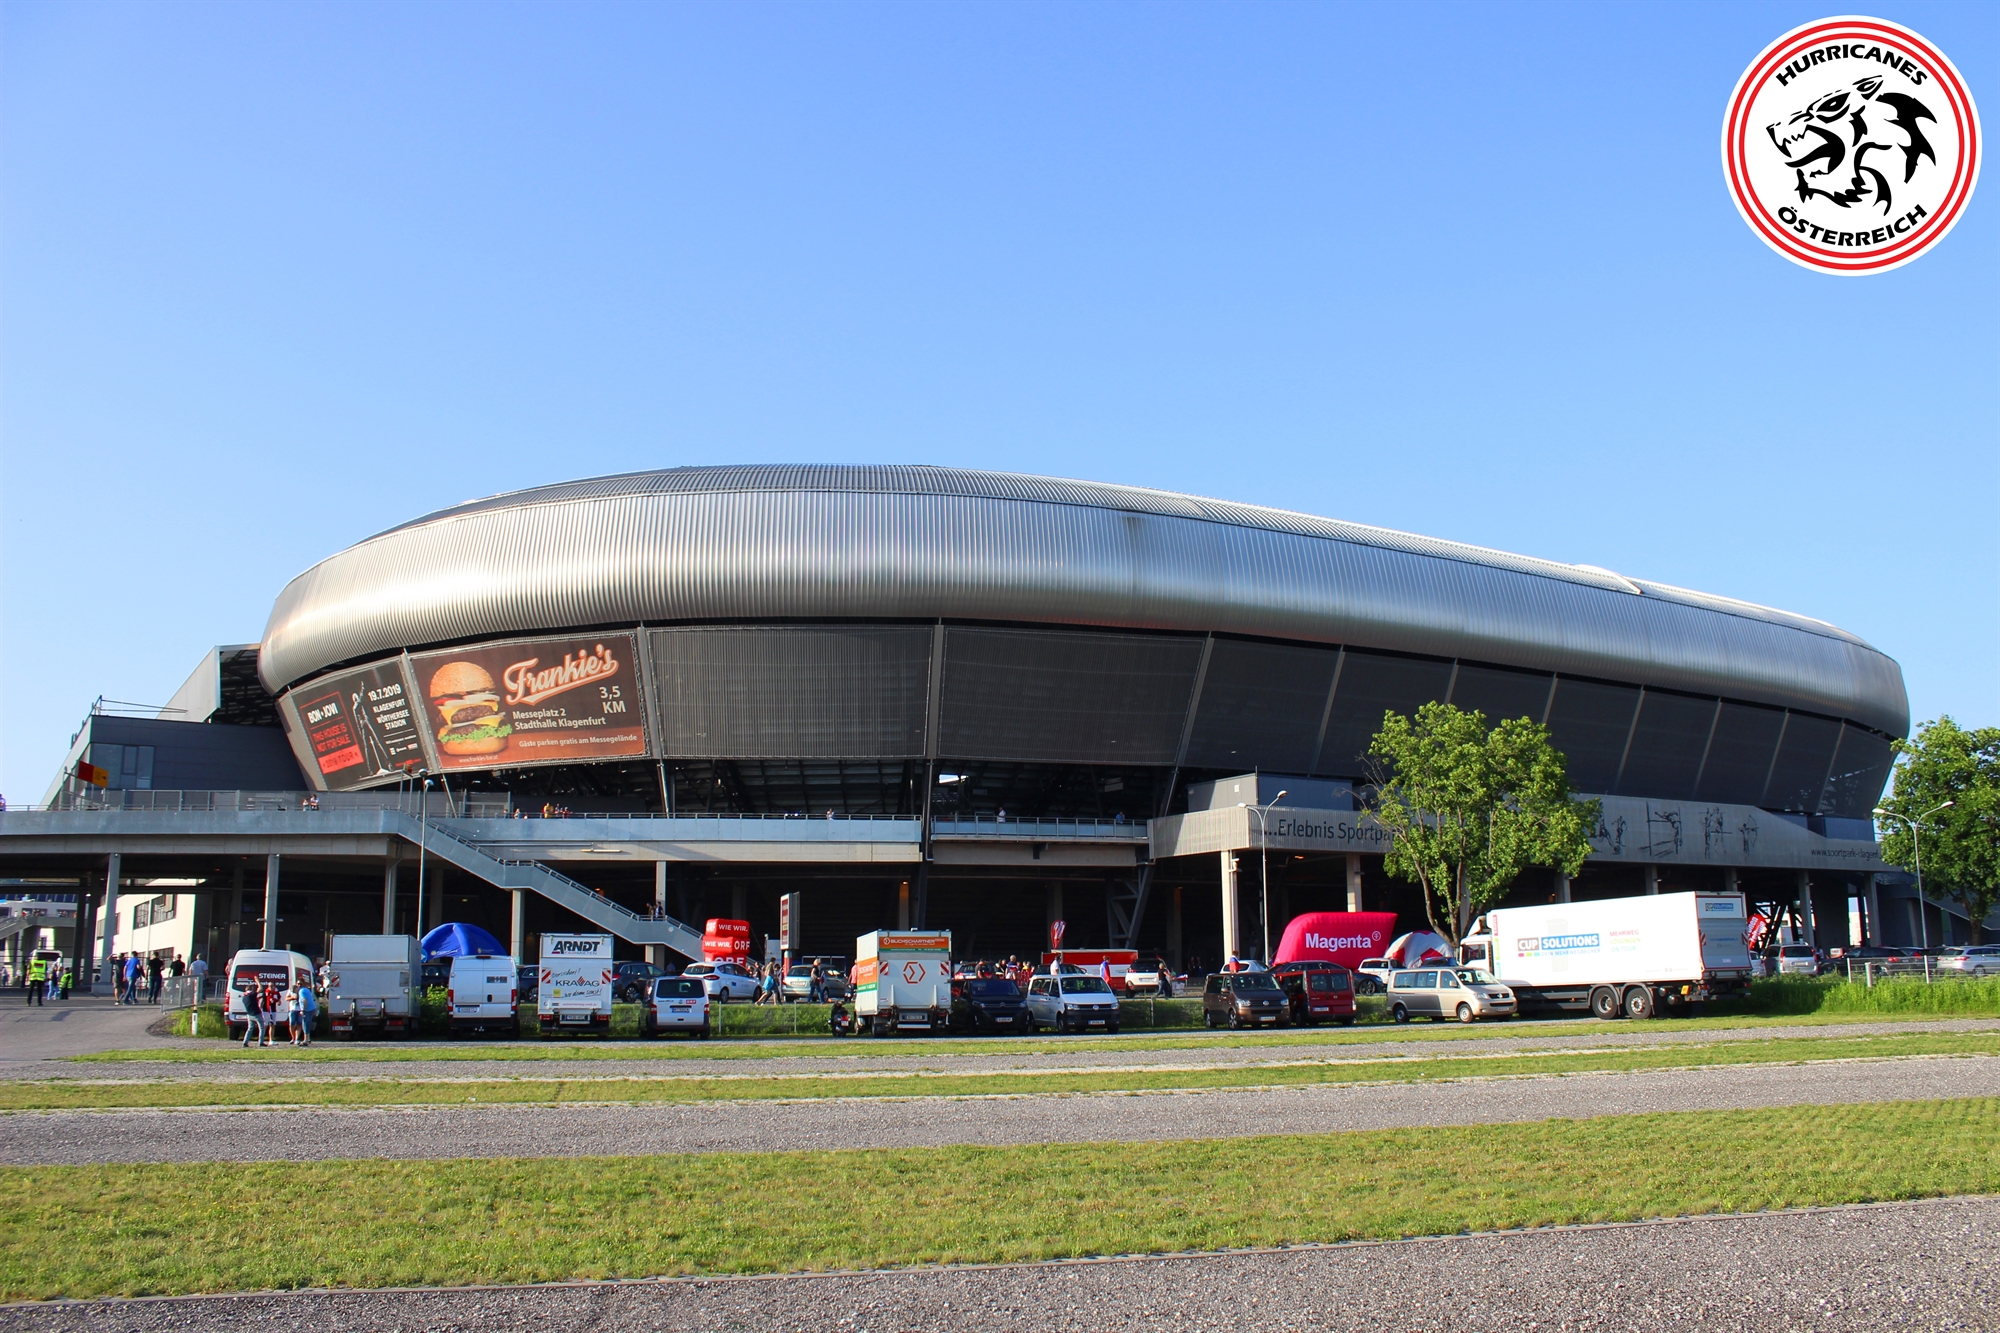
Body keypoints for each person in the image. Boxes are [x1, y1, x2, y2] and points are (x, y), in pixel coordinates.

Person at [299, 976, 317, 1045]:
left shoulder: (301, 991)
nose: (299, 985)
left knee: (305, 1024)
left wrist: (303, 1010)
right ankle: (308, 1038)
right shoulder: (307, 989)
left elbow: (304, 1000)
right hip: (312, 1008)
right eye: (298, 984)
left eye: (300, 984)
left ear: (303, 984)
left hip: (307, 1009)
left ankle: (305, 1040)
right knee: (308, 1023)